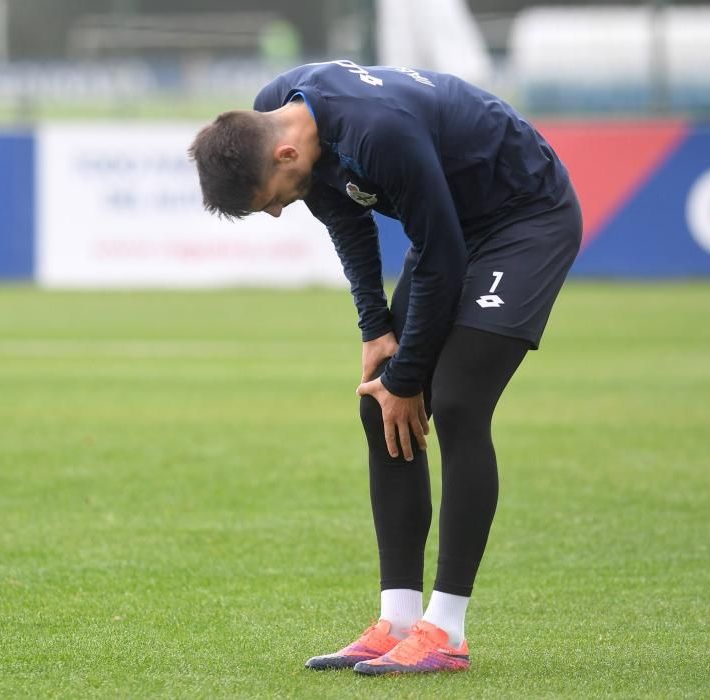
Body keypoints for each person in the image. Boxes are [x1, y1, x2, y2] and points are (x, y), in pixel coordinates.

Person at [188, 59, 582, 676]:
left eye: (271, 201)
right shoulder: (277, 108)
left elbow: (442, 254)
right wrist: (376, 329)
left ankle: (445, 630)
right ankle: (398, 621)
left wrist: (408, 377)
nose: (276, 213)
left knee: (454, 401)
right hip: (453, 230)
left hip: (523, 220)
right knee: (380, 402)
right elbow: (347, 219)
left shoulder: (378, 132)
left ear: (286, 154)